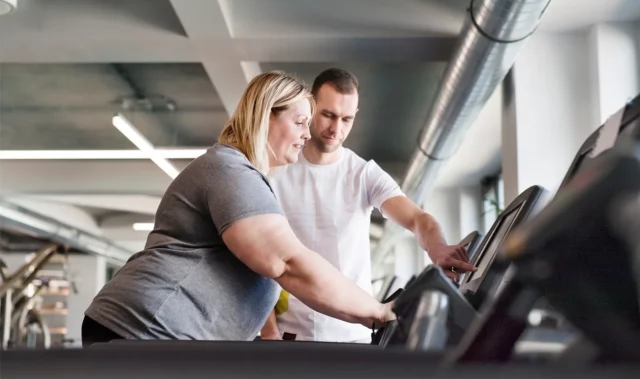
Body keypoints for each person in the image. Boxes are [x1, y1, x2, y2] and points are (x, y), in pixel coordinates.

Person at [81, 70, 395, 346]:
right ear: (265, 117)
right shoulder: (231, 173)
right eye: (299, 122)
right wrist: (377, 311)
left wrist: (372, 317)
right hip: (145, 330)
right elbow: (287, 263)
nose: (306, 133)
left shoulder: (245, 176)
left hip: (163, 334)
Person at [260, 68, 476, 343]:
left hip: (354, 334)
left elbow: (418, 220)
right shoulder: (275, 171)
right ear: (310, 106)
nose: (336, 129)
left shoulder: (363, 174)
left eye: (346, 119)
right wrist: (269, 331)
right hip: (291, 334)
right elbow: (257, 260)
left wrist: (438, 247)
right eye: (328, 115)